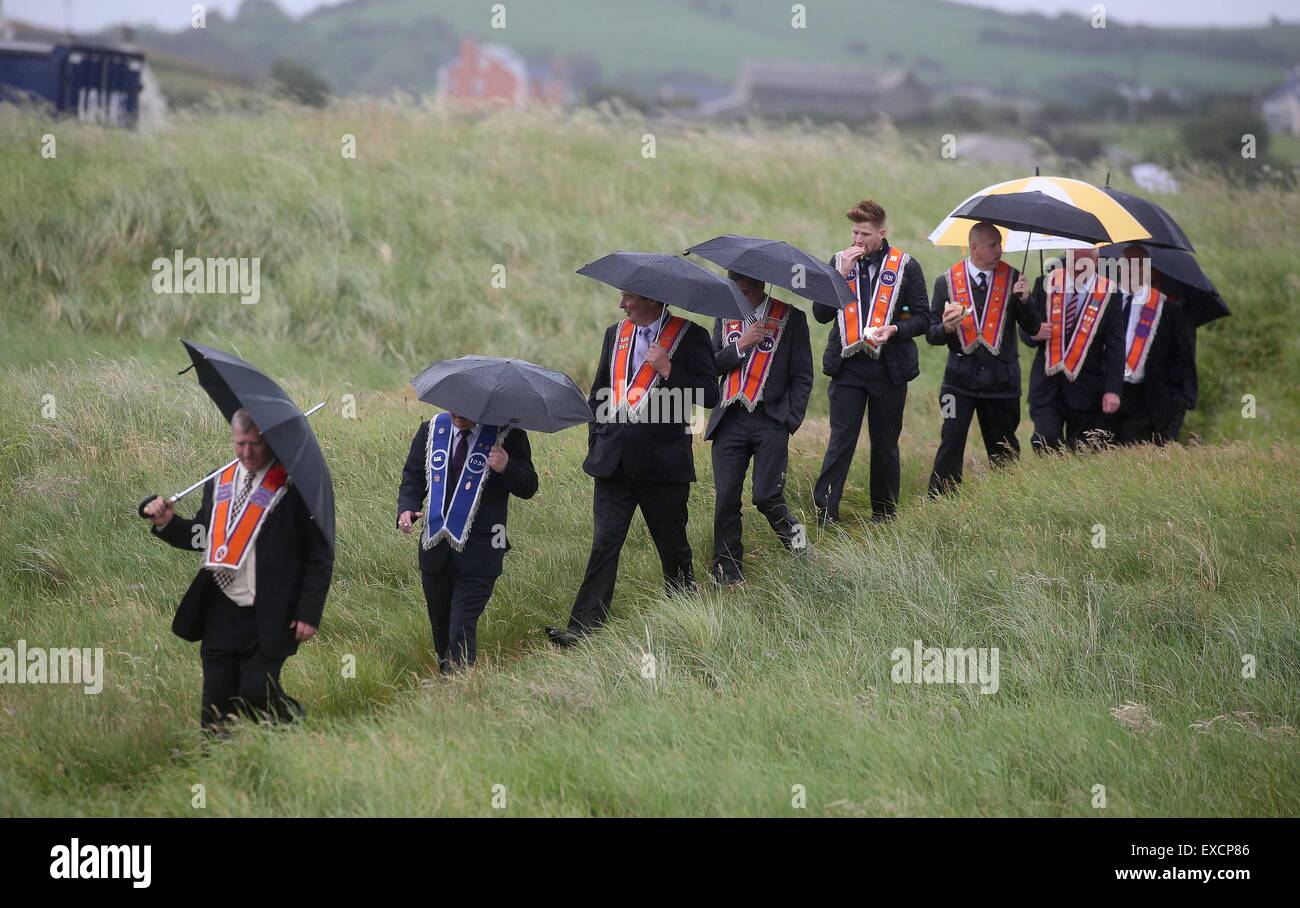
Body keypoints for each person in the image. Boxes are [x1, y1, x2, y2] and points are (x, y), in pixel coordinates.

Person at [142, 408, 332, 733]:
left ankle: (293, 727)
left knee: (256, 690)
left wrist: (308, 611)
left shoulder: (296, 485)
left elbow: (319, 553)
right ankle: (217, 767)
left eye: (254, 444)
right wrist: (167, 523)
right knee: (215, 705)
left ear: (269, 440)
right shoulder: (219, 481)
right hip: (221, 609)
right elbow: (202, 536)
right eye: (240, 443)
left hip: (272, 611)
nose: (246, 452)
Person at [547, 290, 719, 647]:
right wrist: (597, 438)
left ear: (652, 300)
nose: (621, 304)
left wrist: (670, 369)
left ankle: (686, 618)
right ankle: (582, 630)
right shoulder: (616, 333)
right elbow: (599, 392)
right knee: (604, 546)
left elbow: (710, 395)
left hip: (664, 468)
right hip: (613, 465)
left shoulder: (692, 336)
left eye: (628, 298)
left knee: (673, 548)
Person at [812, 199, 930, 523]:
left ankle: (884, 514)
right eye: (854, 232)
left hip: (889, 369)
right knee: (841, 440)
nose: (858, 241)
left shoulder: (906, 265)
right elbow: (820, 315)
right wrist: (838, 277)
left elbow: (923, 318)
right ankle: (825, 512)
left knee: (885, 443)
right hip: (848, 367)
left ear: (882, 232)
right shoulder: (838, 262)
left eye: (865, 233)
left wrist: (895, 329)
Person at [397, 410, 537, 672]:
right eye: (452, 405)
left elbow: (529, 486)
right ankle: (448, 684)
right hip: (435, 550)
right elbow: (413, 477)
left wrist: (507, 466)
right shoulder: (431, 431)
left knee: (461, 626)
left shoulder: (508, 435)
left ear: (483, 404)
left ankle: (461, 689)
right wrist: (407, 507)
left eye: (465, 407)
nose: (457, 412)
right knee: (440, 628)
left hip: (482, 553)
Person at [707, 269, 813, 585]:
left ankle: (801, 547)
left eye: (742, 287)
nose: (738, 292)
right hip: (730, 420)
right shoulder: (724, 318)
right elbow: (711, 364)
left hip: (770, 420)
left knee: (767, 496)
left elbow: (803, 374)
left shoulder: (791, 318)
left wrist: (789, 420)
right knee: (726, 497)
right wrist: (741, 345)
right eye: (734, 286)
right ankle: (727, 572)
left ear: (757, 285)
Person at [926, 221, 1048, 494]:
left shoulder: (1015, 278)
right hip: (957, 383)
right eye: (993, 245)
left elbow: (1034, 328)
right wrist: (946, 327)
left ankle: (1009, 502)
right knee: (951, 442)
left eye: (1000, 244)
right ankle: (941, 501)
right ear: (974, 247)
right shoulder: (946, 282)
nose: (999, 250)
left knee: (1004, 449)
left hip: (1002, 384)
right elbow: (931, 335)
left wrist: (1027, 301)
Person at [1022, 248, 1124, 451]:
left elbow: (1116, 345)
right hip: (1047, 385)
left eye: (1084, 263)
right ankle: (1048, 482)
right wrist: (1034, 332)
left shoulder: (1109, 292)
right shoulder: (1046, 284)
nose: (1079, 269)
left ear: (1096, 260)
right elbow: (1025, 328)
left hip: (1087, 386)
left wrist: (1113, 390)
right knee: (1045, 440)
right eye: (1075, 262)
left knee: (1083, 451)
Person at [1109, 245, 1197, 445]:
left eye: (1139, 265)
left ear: (1147, 270)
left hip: (1149, 401)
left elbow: (1182, 358)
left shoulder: (1167, 311)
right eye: (1127, 264)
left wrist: (1181, 403)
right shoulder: (1108, 304)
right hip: (1109, 397)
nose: (1132, 270)